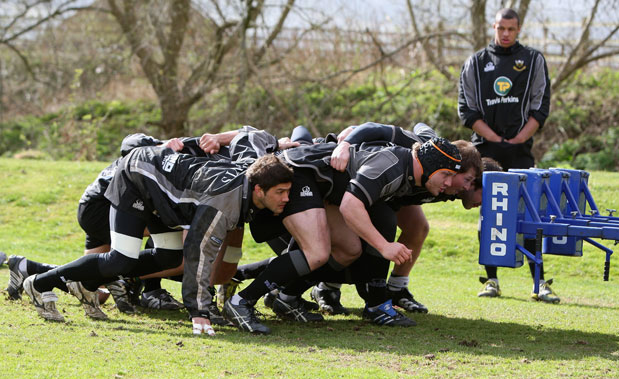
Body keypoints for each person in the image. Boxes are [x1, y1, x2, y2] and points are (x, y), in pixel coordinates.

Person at [22, 139, 294, 336]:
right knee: (121, 259)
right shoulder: (224, 203)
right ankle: (40, 283)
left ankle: (86, 284)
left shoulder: (251, 172)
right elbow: (199, 253)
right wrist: (198, 311)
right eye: (280, 192)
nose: (286, 198)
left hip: (159, 190)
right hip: (136, 177)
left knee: (168, 256)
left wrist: (280, 144)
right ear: (259, 190)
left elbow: (251, 136)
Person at [222, 137, 462, 334]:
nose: (450, 183)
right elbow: (350, 205)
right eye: (447, 175)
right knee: (316, 252)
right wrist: (385, 246)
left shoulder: (408, 172)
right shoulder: (393, 165)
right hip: (301, 174)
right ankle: (241, 302)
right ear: (431, 166)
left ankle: (286, 298)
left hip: (324, 191)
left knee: (349, 251)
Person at [458, 8, 557, 302]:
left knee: (530, 217)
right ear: (493, 26)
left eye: (511, 29)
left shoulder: (533, 59)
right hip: (485, 154)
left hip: (521, 152)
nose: (505, 34)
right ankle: (491, 280)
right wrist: (495, 138)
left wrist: (517, 139)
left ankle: (539, 283)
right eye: (501, 28)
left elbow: (541, 106)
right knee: (489, 216)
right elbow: (467, 110)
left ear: (518, 29)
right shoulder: (476, 62)